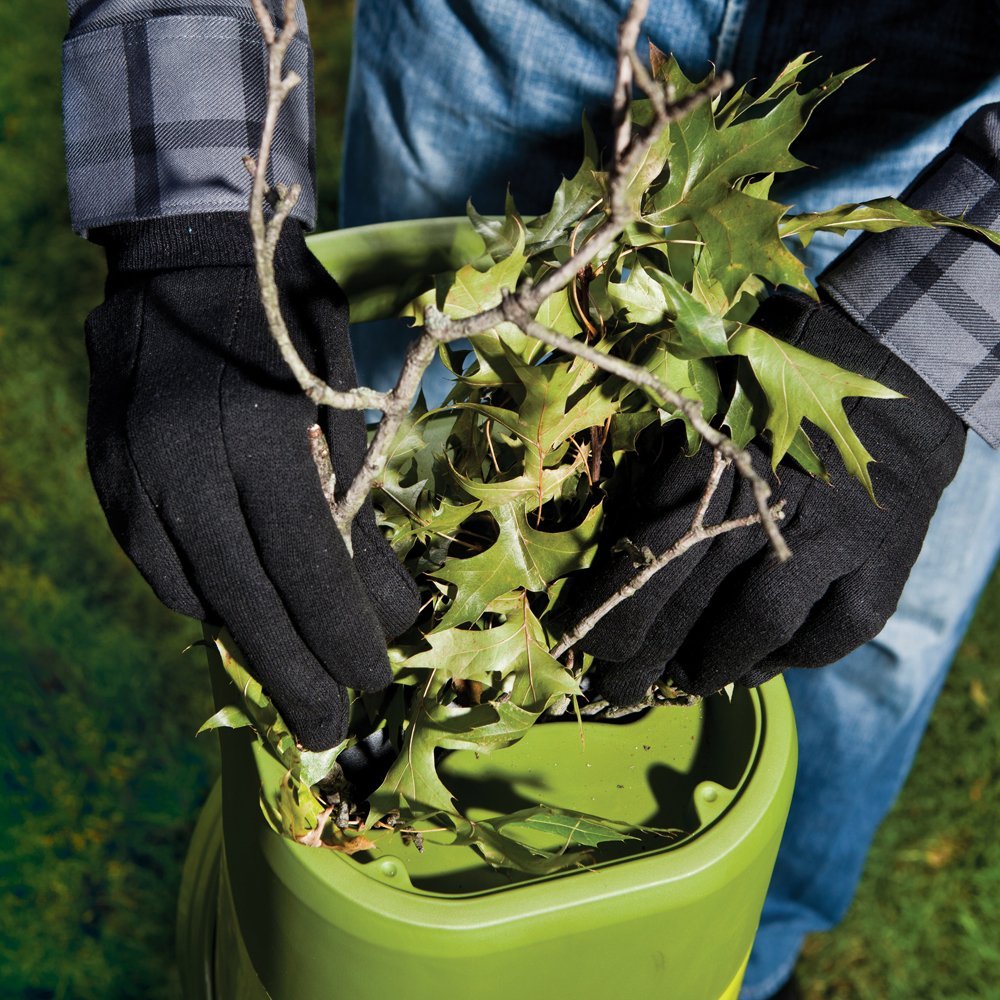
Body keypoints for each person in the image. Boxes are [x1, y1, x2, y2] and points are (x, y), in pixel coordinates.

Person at [62, 2, 1000, 997]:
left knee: (838, 639)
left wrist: (943, 333)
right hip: (504, 32)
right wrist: (195, 224)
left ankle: (736, 964)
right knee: (385, 481)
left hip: (936, 129)